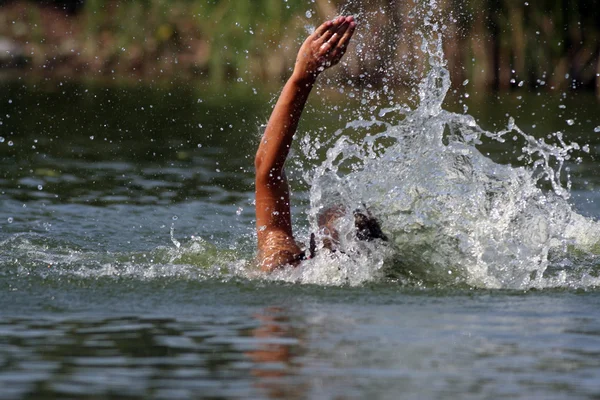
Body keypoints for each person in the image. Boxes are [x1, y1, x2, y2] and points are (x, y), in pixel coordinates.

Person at [255, 16, 386, 272]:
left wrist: (303, 76)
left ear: (320, 241)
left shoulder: (285, 261)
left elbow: (267, 170)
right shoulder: (380, 272)